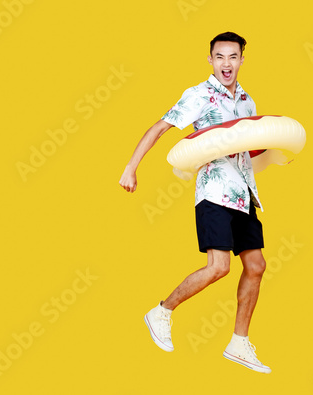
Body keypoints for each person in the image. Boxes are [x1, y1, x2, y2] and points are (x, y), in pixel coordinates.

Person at [119, 32, 271, 374]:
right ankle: (162, 311)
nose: (227, 64)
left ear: (242, 59)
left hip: (244, 192)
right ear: (210, 60)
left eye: (233, 57)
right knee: (218, 267)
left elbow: (253, 145)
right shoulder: (199, 95)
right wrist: (131, 167)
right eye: (220, 57)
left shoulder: (248, 101)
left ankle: (239, 343)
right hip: (215, 193)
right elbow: (160, 127)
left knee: (257, 265)